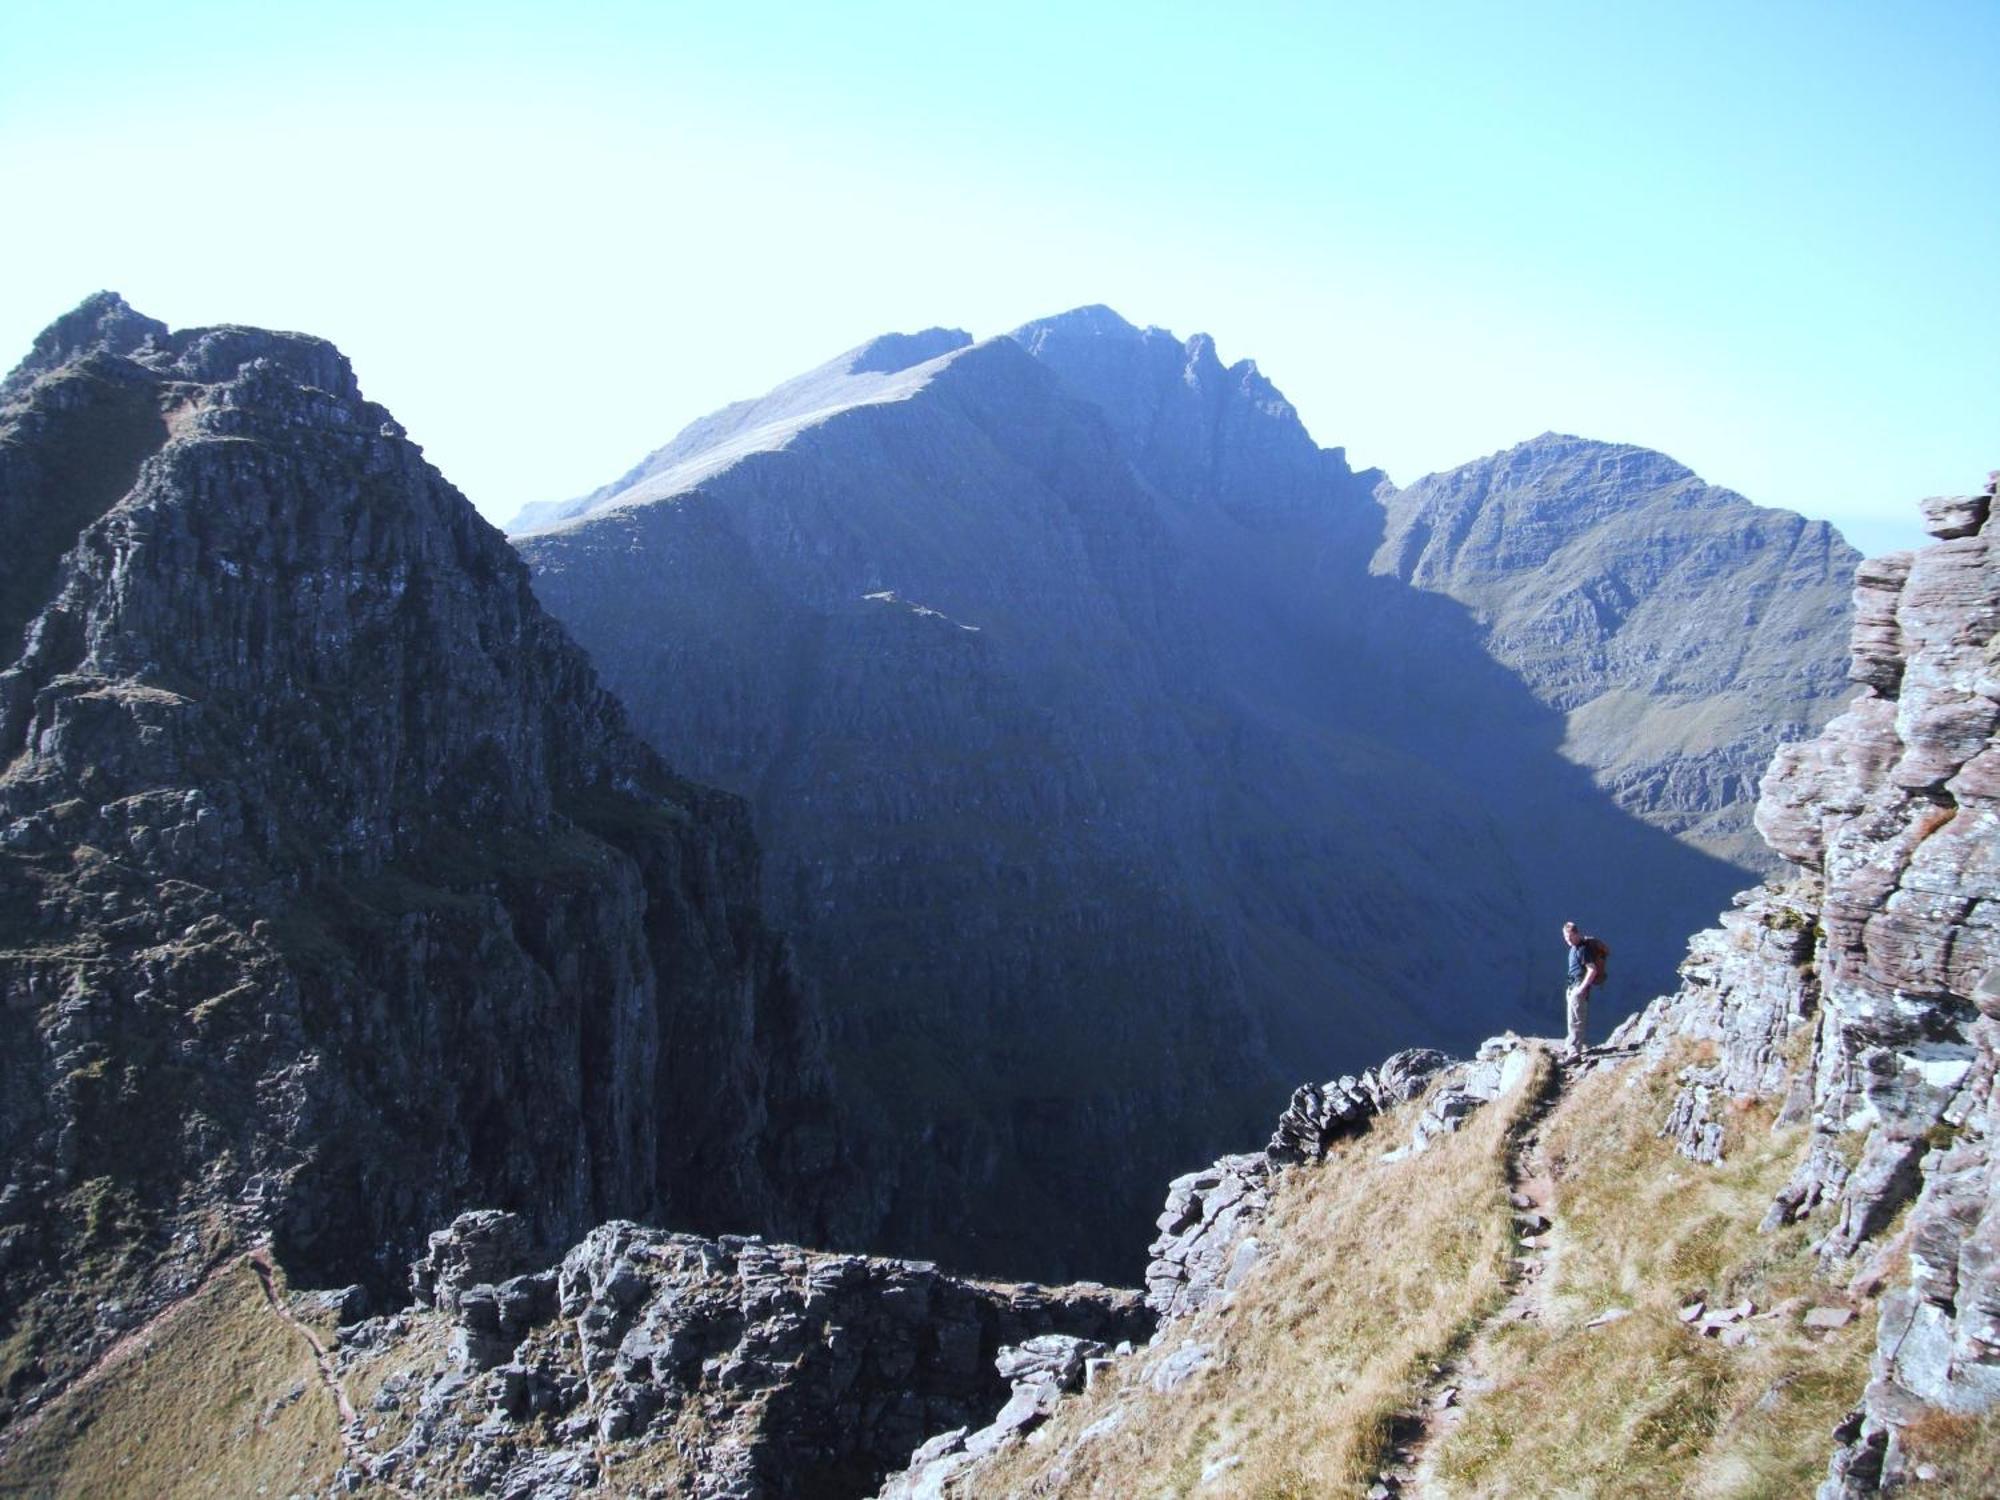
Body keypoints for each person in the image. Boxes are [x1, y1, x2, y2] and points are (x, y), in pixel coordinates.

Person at [1562, 921, 1605, 1060]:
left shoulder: (1582, 949)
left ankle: (1574, 1052)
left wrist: (1581, 989)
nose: (1568, 940)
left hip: (1578, 988)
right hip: (1572, 987)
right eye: (1566, 937)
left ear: (1576, 934)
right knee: (1572, 1019)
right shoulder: (1574, 948)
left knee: (1576, 1021)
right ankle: (1571, 1047)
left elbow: (1592, 969)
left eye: (1570, 937)